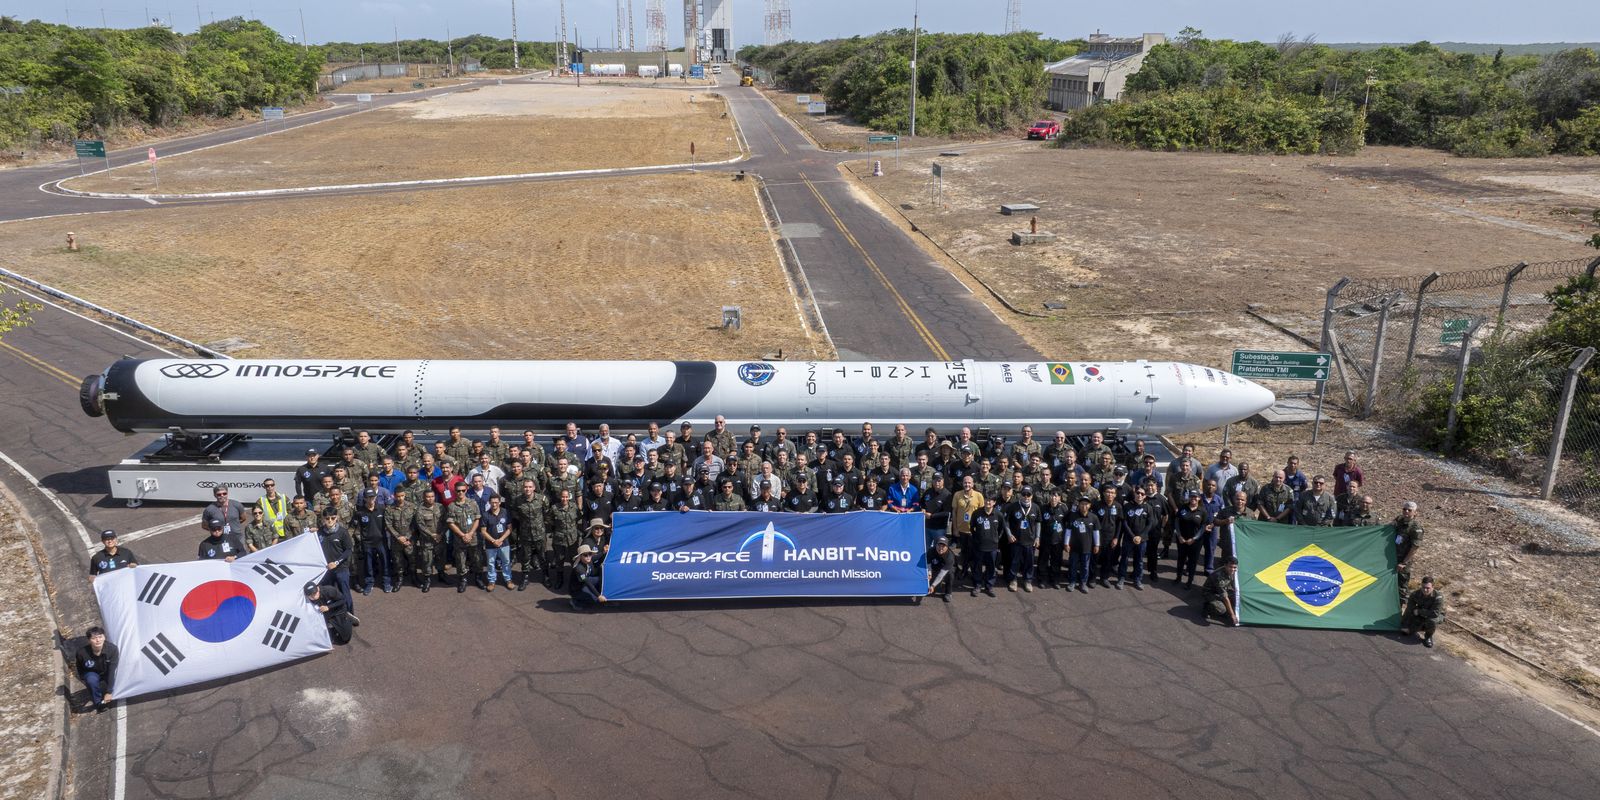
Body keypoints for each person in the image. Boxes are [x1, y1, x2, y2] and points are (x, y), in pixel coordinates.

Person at [74, 627, 119, 712]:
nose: (98, 640)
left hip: (107, 671)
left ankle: (112, 693)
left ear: (104, 637)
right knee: (91, 680)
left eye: (100, 637)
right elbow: (79, 666)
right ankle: (98, 703)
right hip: (92, 673)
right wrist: (83, 677)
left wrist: (109, 692)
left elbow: (112, 670)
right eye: (94, 638)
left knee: (117, 679)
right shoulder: (81, 653)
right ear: (89, 640)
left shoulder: (113, 649)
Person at [353, 491, 390, 594]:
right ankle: (369, 583)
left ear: (376, 497)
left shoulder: (382, 509)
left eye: (373, 497)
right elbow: (356, 528)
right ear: (364, 498)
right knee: (368, 564)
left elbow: (389, 524)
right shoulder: (360, 512)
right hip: (367, 542)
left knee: (385, 562)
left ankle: (386, 582)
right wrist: (360, 539)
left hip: (381, 541)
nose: (371, 499)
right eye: (368, 497)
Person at [318, 507, 355, 609]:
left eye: (333, 518)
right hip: (326, 569)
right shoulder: (319, 532)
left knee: (345, 592)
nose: (330, 521)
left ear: (337, 518)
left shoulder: (342, 532)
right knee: (330, 593)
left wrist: (336, 562)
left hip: (341, 569)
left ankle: (350, 614)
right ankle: (334, 615)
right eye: (327, 518)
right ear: (323, 519)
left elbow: (348, 550)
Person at [969, 495, 1003, 597]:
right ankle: (978, 585)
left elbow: (1001, 529)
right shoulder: (977, 513)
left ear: (994, 503)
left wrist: (996, 539)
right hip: (979, 546)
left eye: (990, 501)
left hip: (992, 546)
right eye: (986, 500)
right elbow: (972, 528)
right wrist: (977, 539)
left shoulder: (998, 514)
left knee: (991, 567)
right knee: (977, 566)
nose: (988, 502)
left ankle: (989, 586)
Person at [1065, 496, 1100, 593]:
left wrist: (1097, 545)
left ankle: (1083, 583)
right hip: (1074, 547)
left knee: (1085, 566)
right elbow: (1068, 530)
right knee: (1073, 565)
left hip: (1087, 547)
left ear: (1089, 505)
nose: (1084, 506)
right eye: (1082, 504)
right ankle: (1072, 582)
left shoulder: (1093, 517)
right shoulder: (1073, 516)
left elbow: (1096, 532)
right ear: (1079, 505)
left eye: (1086, 504)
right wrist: (1066, 543)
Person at [305, 581, 355, 646]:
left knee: (346, 638)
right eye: (311, 595)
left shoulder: (329, 590)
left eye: (315, 593)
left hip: (338, 611)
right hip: (326, 615)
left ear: (318, 588)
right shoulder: (308, 600)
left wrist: (328, 607)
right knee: (332, 635)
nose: (314, 596)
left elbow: (343, 600)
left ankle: (348, 617)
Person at [1174, 494, 1208, 587]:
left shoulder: (1202, 511)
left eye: (1196, 497)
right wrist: (1179, 536)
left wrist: (1194, 538)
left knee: (1192, 561)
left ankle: (1189, 581)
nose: (1193, 498)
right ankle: (1178, 577)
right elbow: (1177, 522)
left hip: (1195, 542)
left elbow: (1203, 527)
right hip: (1182, 540)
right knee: (1181, 559)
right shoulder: (1183, 508)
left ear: (1199, 498)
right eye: (1192, 497)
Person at [481, 494, 514, 590]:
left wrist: (500, 540)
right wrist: (493, 541)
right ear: (489, 503)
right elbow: (483, 531)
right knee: (491, 563)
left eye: (496, 502)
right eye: (492, 502)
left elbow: (509, 529)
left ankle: (508, 579)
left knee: (506, 562)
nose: (494, 504)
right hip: (490, 544)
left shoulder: (506, 512)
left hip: (504, 543)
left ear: (500, 502)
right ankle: (491, 581)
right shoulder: (485, 514)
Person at [1402, 576, 1445, 648]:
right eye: (1423, 587)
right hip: (1421, 615)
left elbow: (1435, 613)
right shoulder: (1415, 594)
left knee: (1432, 621)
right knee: (1406, 631)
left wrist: (1419, 611)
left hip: (1434, 616)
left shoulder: (1438, 597)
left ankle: (1428, 636)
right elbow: (1409, 609)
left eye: (1428, 588)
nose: (1425, 590)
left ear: (1433, 587)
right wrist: (1404, 624)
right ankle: (1417, 627)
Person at [1393, 501, 1424, 601]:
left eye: (1409, 510)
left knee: (1401, 587)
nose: (1406, 511)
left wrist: (1403, 563)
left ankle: (1399, 607)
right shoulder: (1399, 520)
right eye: (1404, 509)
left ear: (1415, 513)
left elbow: (1414, 548)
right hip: (1392, 557)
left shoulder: (1416, 528)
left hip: (1403, 562)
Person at [1202, 558, 1241, 626]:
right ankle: (1207, 608)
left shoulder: (1232, 571)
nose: (1232, 569)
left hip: (1221, 590)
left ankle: (1222, 605)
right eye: (1230, 567)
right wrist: (1232, 615)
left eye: (1234, 567)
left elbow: (1233, 583)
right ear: (1225, 565)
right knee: (1222, 610)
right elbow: (1225, 597)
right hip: (1210, 593)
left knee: (1237, 596)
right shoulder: (1219, 576)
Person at [569, 544, 606, 611]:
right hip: (578, 588)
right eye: (585, 555)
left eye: (590, 554)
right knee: (595, 599)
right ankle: (575, 601)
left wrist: (603, 551)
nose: (588, 557)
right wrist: (598, 596)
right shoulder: (579, 569)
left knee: (601, 580)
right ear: (580, 556)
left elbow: (596, 557)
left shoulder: (588, 560)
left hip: (584, 583)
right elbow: (587, 582)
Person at [927, 537, 956, 602]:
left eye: (943, 546)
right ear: (936, 545)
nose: (940, 548)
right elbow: (928, 564)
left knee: (950, 573)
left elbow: (942, 574)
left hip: (945, 569)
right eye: (939, 545)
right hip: (935, 568)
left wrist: (933, 585)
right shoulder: (931, 551)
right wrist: (929, 572)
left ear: (947, 547)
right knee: (929, 589)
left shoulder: (950, 557)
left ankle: (948, 593)